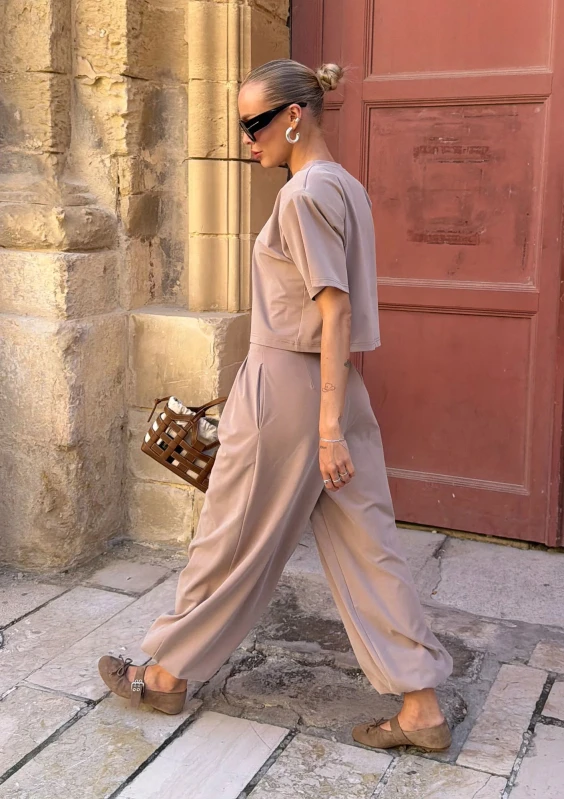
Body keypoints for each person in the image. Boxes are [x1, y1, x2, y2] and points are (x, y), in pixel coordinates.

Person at [99, 58, 454, 752]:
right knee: (369, 546)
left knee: (228, 538)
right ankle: (421, 707)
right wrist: (335, 421)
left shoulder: (302, 195)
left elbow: (334, 308)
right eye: (241, 125)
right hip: (336, 388)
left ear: (294, 116)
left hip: (292, 392)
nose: (246, 138)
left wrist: (325, 431)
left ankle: (165, 675)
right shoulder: (345, 186)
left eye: (255, 123)